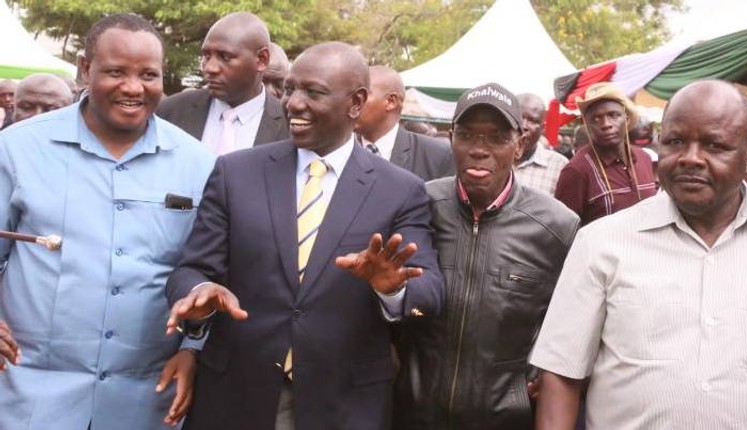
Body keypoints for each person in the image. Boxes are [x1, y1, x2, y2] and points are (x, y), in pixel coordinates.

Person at [164, 41, 444, 430]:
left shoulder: (401, 190)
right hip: (236, 398)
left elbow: (428, 294)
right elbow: (191, 269)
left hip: (344, 405)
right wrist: (199, 292)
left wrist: (392, 290)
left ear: (356, 102)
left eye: (313, 92)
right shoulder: (236, 173)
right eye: (291, 88)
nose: (293, 103)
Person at [531, 80, 747, 430]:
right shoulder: (600, 244)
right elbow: (561, 375)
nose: (691, 159)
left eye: (714, 145)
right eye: (675, 141)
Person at [0, 13, 216, 430]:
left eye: (148, 75)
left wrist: (193, 348)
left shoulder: (198, 165)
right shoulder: (16, 149)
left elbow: (205, 272)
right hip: (29, 397)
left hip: (146, 402)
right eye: (116, 72)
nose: (133, 87)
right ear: (85, 69)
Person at [392, 83, 579, 430]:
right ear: (451, 140)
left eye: (496, 137)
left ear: (519, 145)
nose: (479, 150)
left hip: (505, 420)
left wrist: (533, 378)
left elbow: (568, 326)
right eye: (466, 135)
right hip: (412, 415)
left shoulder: (557, 227)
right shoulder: (418, 205)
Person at [157, 12, 288, 154]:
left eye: (225, 57)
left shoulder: (289, 126)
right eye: (207, 56)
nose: (209, 68)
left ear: (262, 60)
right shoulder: (171, 112)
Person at [554, 83, 656, 226]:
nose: (606, 124)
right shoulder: (577, 170)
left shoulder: (644, 158)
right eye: (596, 119)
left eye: (614, 115)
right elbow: (563, 229)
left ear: (626, 120)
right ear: (587, 126)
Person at [355, 65, 455, 182]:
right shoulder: (336, 151)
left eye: (362, 96)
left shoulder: (437, 156)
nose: (352, 103)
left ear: (391, 101)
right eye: (351, 96)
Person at [513, 93, 568, 194]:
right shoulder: (491, 160)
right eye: (519, 118)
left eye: (532, 121)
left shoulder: (559, 166)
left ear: (542, 128)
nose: (524, 126)